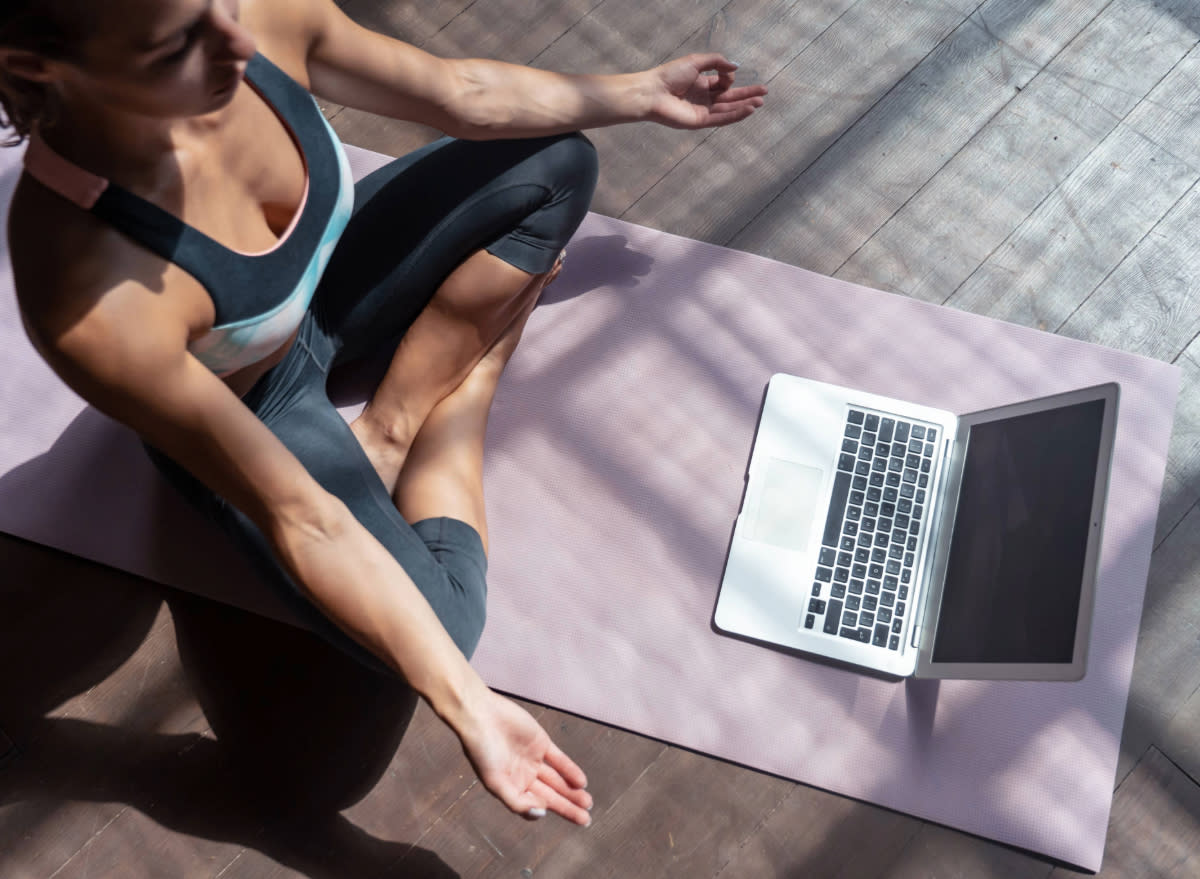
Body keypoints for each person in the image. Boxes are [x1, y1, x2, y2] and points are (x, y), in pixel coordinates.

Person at [0, 0, 766, 826]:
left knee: (556, 161)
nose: (237, 39)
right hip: (250, 405)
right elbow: (303, 517)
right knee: (445, 626)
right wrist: (469, 705)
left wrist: (641, 91)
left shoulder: (247, 17)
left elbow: (460, 92)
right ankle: (465, 392)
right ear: (43, 67)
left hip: (324, 292)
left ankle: (393, 423)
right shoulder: (85, 292)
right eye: (178, 46)